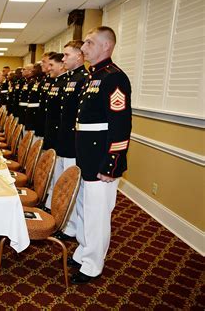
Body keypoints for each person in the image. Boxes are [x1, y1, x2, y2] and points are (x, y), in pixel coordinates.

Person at [70, 26, 132, 285]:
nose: (84, 48)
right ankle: (85, 251)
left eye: (90, 43)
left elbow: (120, 125)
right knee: (85, 210)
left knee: (98, 214)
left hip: (101, 161)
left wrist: (111, 164)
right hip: (87, 157)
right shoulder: (93, 77)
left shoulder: (114, 78)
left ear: (107, 46)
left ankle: (93, 264)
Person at [49, 41, 89, 240]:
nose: (63, 59)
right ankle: (66, 222)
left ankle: (71, 227)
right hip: (63, 139)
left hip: (73, 143)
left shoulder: (84, 79)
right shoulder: (71, 79)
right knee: (63, 184)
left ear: (79, 56)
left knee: (73, 188)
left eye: (66, 55)